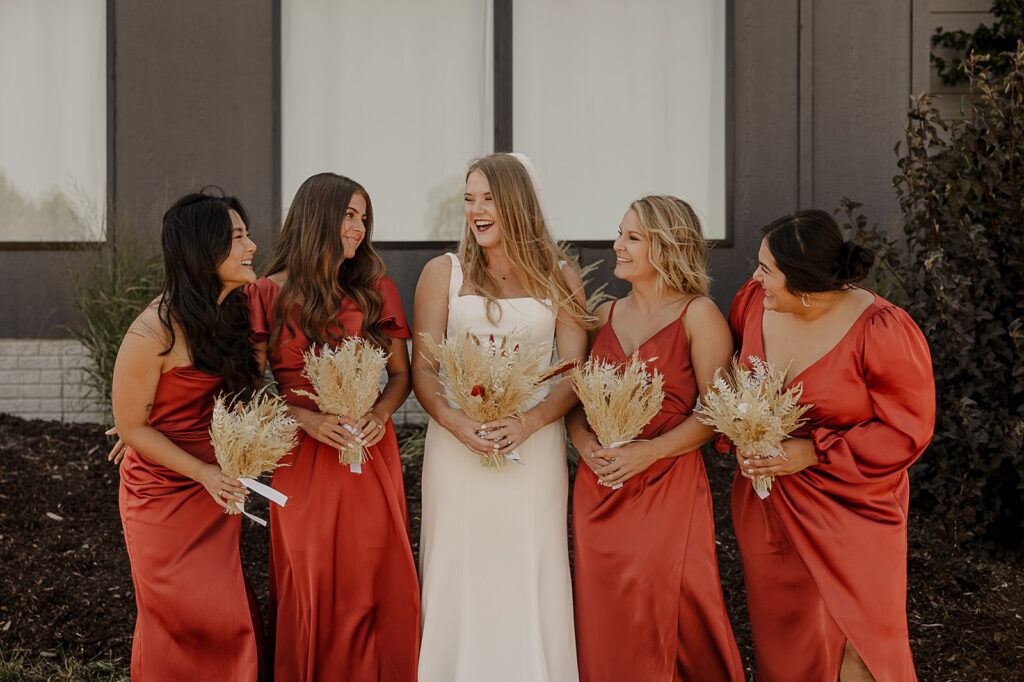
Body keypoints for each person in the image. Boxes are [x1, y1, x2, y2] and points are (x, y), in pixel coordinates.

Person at [726, 210, 935, 681]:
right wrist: (741, 433)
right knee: (789, 638)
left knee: (861, 642)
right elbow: (735, 382)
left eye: (767, 269)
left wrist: (813, 451)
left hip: (855, 507)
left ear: (803, 283)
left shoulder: (881, 328)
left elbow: (907, 429)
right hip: (769, 507)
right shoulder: (753, 304)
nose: (755, 277)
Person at [412, 152, 590, 681]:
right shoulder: (442, 272)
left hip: (532, 450)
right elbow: (423, 370)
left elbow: (573, 373)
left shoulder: (561, 276)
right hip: (457, 447)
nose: (477, 210)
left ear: (517, 201)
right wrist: (453, 422)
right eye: (469, 199)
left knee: (527, 564)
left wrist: (530, 422)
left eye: (488, 198)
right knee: (458, 565)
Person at [246, 172, 419, 681]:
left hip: (368, 452)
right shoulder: (263, 294)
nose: (358, 228)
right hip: (301, 458)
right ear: (315, 215)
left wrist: (379, 414)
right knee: (314, 578)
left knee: (373, 576)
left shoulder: (376, 290)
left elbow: (402, 376)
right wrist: (304, 417)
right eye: (348, 214)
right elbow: (249, 387)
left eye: (363, 218)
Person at [567, 195, 745, 682]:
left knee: (669, 603)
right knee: (603, 612)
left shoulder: (699, 315)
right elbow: (573, 406)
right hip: (598, 487)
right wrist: (585, 447)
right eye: (620, 233)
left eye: (632, 237)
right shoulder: (602, 317)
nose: (616, 245)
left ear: (666, 247)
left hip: (667, 483)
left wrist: (649, 452)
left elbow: (716, 413)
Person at [113, 191, 264, 680]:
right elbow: (132, 425)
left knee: (226, 613)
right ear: (204, 247)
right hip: (162, 494)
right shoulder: (150, 332)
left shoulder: (237, 315)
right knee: (178, 618)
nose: (253, 246)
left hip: (217, 492)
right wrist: (201, 471)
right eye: (238, 237)